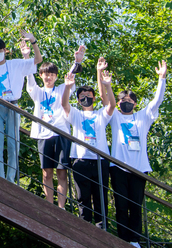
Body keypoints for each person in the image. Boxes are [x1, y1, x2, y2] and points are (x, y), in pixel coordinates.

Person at [110, 60, 167, 246]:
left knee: (135, 206)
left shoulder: (143, 116)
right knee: (121, 205)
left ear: (135, 103)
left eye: (129, 100)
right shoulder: (115, 116)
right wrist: (105, 83)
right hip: (118, 167)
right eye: (123, 100)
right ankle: (122, 238)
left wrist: (162, 78)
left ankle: (134, 239)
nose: (126, 103)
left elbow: (157, 101)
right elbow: (106, 100)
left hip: (139, 169)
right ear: (118, 103)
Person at [0, 34, 42, 182]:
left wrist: (33, 41)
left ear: (5, 50)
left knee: (14, 144)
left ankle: (10, 179)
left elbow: (38, 60)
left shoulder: (16, 64)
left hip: (13, 105)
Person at [26, 46, 85, 208]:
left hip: (61, 135)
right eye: (46, 74)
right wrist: (26, 57)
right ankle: (48, 206)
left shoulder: (62, 89)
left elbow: (70, 78)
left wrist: (77, 61)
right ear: (41, 75)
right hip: (43, 135)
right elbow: (29, 78)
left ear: (56, 77)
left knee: (62, 172)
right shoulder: (37, 92)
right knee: (46, 173)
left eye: (52, 74)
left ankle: (61, 208)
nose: (49, 77)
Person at [61, 57, 116, 227]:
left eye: (89, 96)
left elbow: (112, 105)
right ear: (78, 100)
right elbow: (64, 105)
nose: (86, 98)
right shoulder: (76, 114)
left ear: (94, 97)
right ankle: (84, 228)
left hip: (100, 161)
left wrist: (107, 85)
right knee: (83, 197)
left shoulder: (100, 114)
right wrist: (68, 87)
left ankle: (102, 228)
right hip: (81, 160)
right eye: (82, 96)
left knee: (100, 196)